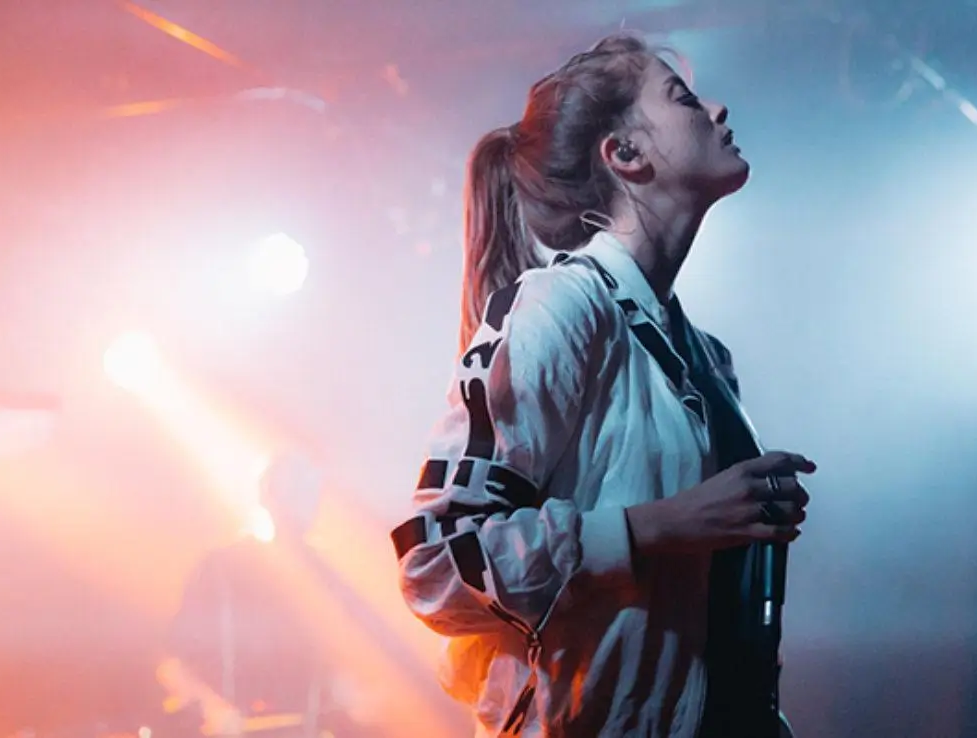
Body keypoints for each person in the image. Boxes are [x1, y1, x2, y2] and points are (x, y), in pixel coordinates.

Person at [390, 32, 817, 737]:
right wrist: (664, 525)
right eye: (683, 99)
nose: (718, 108)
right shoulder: (561, 305)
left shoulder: (706, 356)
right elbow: (437, 562)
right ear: (625, 153)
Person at [159, 452, 378, 737]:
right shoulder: (218, 569)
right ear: (266, 496)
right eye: (292, 492)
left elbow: (339, 665)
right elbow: (174, 663)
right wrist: (213, 707)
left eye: (309, 493)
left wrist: (350, 691)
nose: (303, 504)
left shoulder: (328, 579)